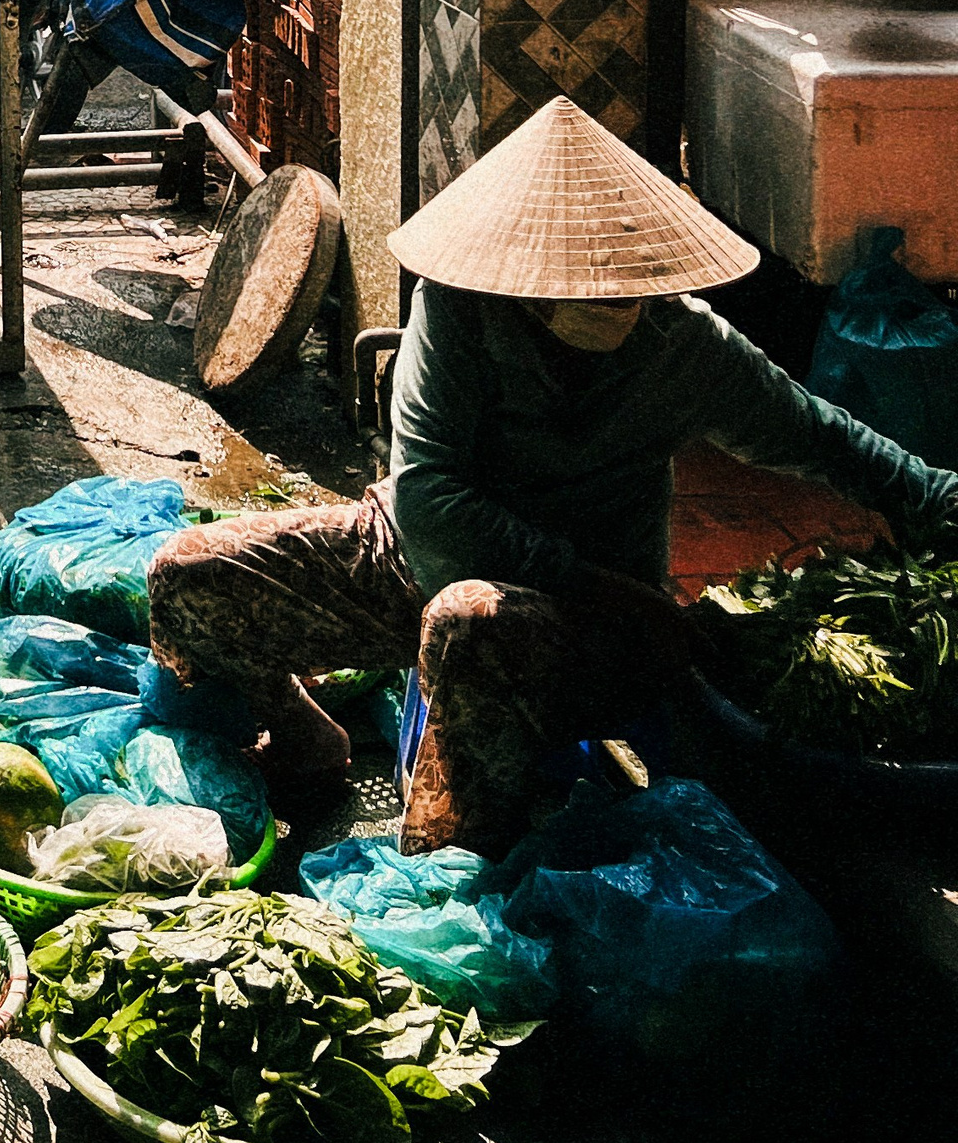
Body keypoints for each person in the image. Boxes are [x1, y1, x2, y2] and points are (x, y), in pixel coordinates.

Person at [145, 96, 958, 856]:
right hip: (421, 555)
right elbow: (429, 500)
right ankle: (301, 729)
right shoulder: (458, 312)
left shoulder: (683, 346)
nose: (610, 304)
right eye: (577, 291)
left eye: (626, 290)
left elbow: (817, 435)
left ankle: (461, 854)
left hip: (572, 625)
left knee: (468, 622)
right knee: (185, 573)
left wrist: (935, 498)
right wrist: (601, 583)